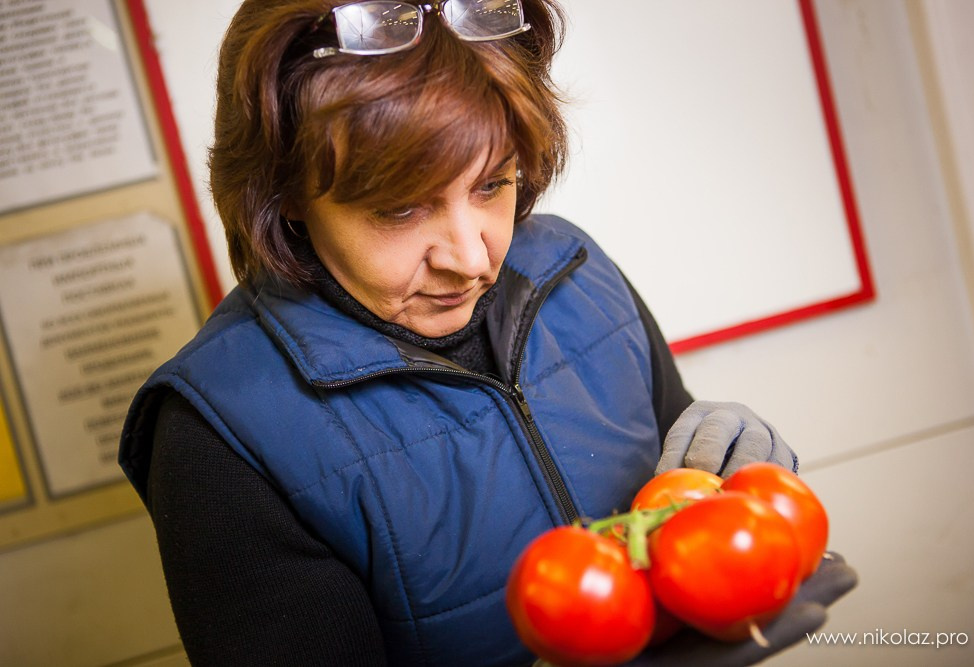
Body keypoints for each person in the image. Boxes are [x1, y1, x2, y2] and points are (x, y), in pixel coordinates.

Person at [118, 1, 856, 665]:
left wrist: (722, 472)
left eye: (492, 184)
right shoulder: (219, 432)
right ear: (285, 197)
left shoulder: (575, 265)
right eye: (400, 209)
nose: (472, 258)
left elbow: (680, 497)